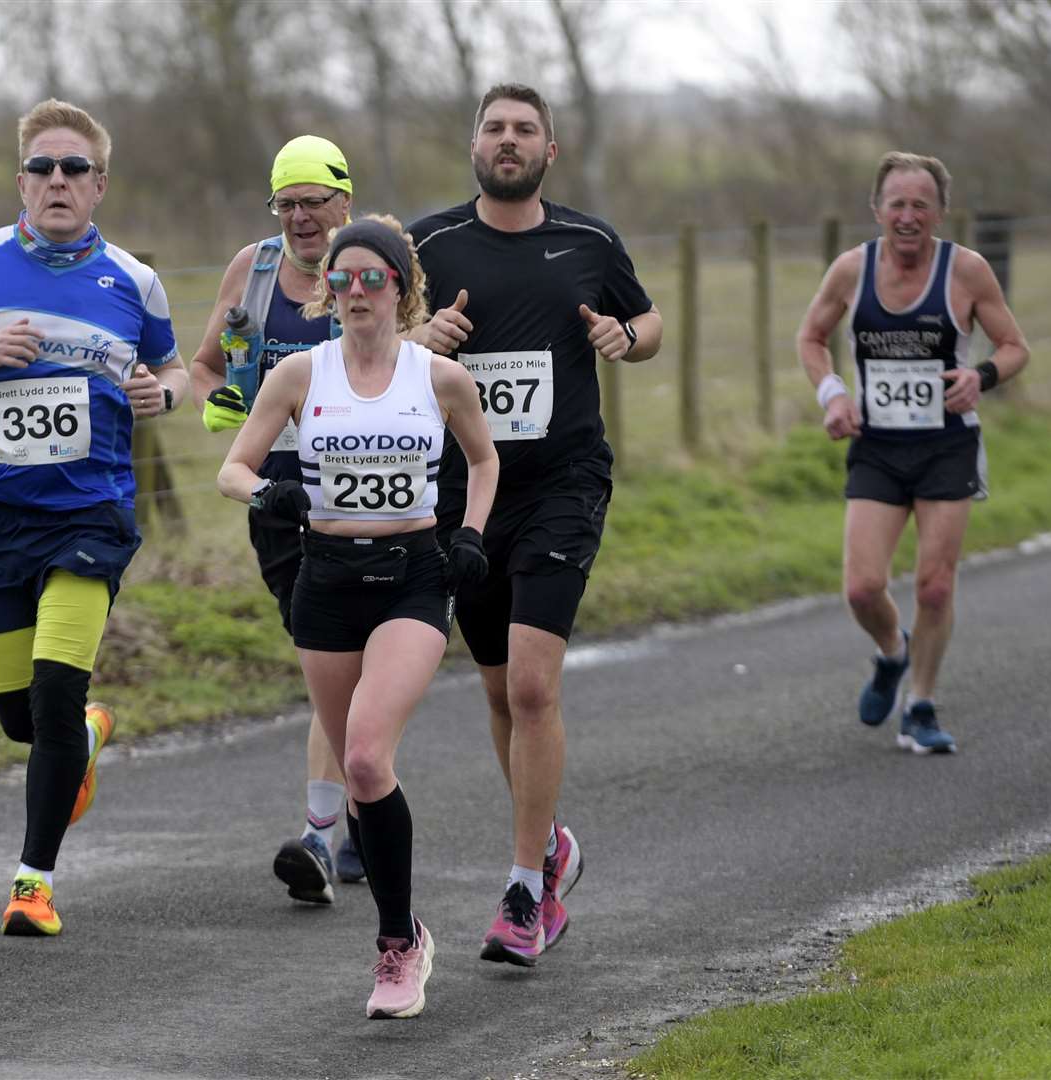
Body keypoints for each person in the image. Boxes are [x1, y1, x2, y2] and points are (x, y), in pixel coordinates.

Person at [0, 99, 187, 938]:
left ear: (99, 185)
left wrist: (160, 393)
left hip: (88, 515)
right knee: (20, 719)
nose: (56, 181)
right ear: (19, 181)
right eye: (41, 168)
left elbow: (176, 372)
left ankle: (33, 883)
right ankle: (87, 740)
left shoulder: (133, 281)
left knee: (58, 691)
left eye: (73, 169)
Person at [407, 84, 662, 968]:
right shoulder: (427, 244)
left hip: (562, 482)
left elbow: (649, 319)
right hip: (466, 493)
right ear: (472, 143)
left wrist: (626, 340)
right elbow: (373, 340)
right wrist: (421, 338)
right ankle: (548, 839)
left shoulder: (587, 240)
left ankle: (525, 890)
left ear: (548, 151)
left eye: (523, 130)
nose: (506, 141)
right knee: (493, 689)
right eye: (493, 128)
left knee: (529, 689)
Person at [219, 215, 498, 1018]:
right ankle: (403, 922)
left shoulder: (437, 377)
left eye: (372, 278)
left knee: (370, 760)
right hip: (327, 581)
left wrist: (471, 534)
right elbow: (233, 468)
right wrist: (266, 493)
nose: (354, 292)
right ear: (327, 293)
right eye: (340, 280)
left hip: (412, 577)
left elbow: (483, 457)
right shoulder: (300, 376)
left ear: (402, 289)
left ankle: (396, 948)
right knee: (356, 776)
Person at [797, 151, 1029, 755]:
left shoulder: (967, 271)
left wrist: (981, 376)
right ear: (876, 210)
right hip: (877, 448)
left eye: (920, 205)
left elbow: (1013, 346)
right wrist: (834, 394)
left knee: (933, 585)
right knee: (862, 588)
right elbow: (811, 337)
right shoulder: (851, 270)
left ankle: (920, 706)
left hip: (946, 446)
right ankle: (892, 652)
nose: (907, 216)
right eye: (896, 204)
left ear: (940, 213)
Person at [190, 135, 366, 905]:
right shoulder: (253, 271)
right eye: (285, 203)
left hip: (367, 499)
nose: (300, 218)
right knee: (330, 659)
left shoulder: (371, 270)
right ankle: (358, 816)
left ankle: (325, 838)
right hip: (276, 500)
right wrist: (221, 402)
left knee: (339, 659)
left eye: (314, 201)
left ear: (344, 202)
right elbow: (204, 367)